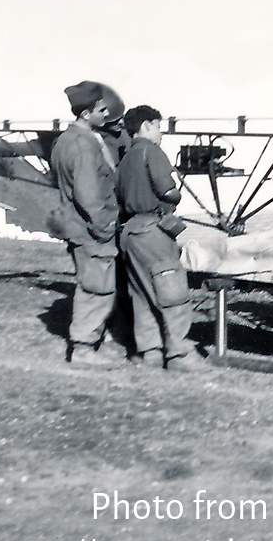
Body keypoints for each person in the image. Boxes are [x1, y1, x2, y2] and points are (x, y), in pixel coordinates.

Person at [116, 105, 211, 372]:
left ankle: (151, 353)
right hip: (153, 230)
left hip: (131, 233)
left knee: (142, 294)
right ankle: (179, 354)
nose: (161, 133)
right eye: (158, 126)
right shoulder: (152, 151)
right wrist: (174, 195)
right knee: (172, 292)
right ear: (146, 126)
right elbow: (169, 191)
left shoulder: (124, 159)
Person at [49, 80, 129, 368]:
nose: (107, 115)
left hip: (77, 227)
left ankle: (93, 341)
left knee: (95, 284)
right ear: (85, 114)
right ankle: (83, 349)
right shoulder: (83, 145)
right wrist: (105, 226)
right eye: (102, 110)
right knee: (96, 288)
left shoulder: (66, 140)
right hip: (91, 230)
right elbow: (88, 194)